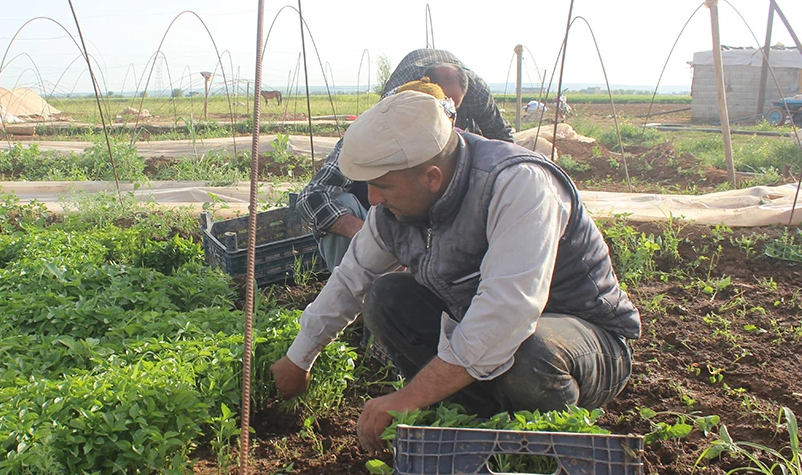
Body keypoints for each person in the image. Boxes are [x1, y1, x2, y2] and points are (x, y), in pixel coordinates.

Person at [270, 84, 641, 455]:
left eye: (382, 186)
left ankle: (546, 455)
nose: (372, 200)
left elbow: (506, 315)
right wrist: (299, 357)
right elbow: (352, 278)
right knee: (386, 298)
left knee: (530, 350)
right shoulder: (396, 210)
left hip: (585, 341)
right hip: (491, 331)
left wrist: (407, 398)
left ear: (431, 177)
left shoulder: (517, 184)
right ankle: (475, 427)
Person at [299, 49, 514, 272]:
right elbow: (311, 197)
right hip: (378, 229)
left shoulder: (463, 146)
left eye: (448, 112)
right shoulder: (374, 134)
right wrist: (369, 238)